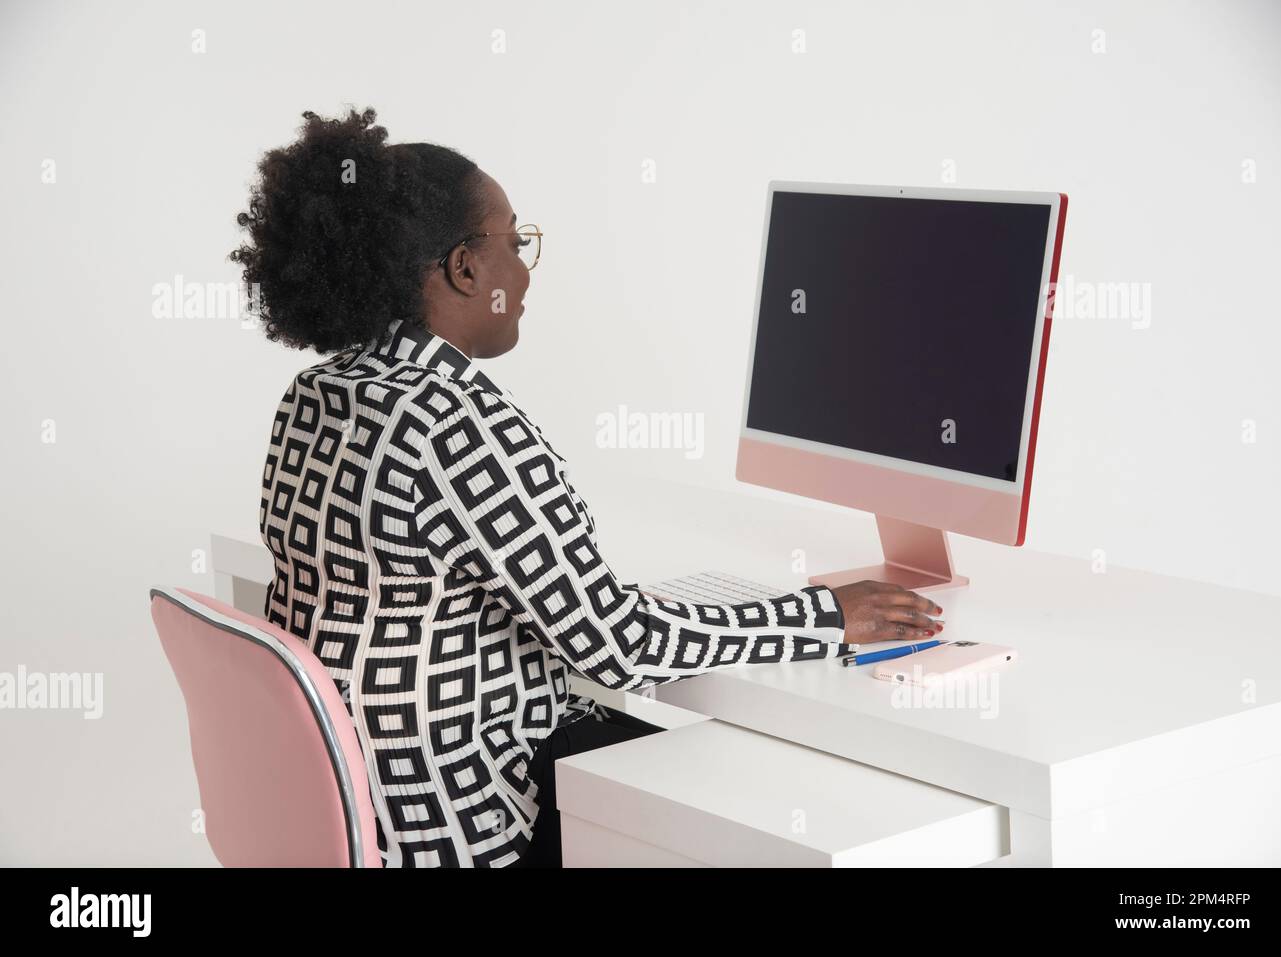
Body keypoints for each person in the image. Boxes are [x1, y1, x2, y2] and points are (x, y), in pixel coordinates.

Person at [230, 107, 943, 868]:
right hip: (471, 827)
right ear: (465, 267)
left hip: (363, 809)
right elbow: (619, 644)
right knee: (773, 817)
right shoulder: (455, 422)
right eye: (514, 241)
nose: (526, 269)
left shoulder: (316, 395)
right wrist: (825, 615)